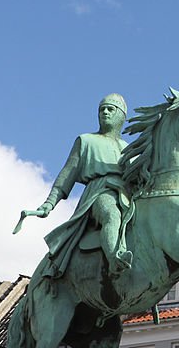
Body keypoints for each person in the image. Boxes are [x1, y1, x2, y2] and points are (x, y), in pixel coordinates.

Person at [37, 93, 133, 278]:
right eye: (101, 109)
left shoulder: (127, 148)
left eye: (110, 109)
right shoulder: (86, 140)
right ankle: (115, 259)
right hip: (99, 192)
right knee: (111, 214)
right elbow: (66, 175)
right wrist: (49, 204)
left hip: (126, 194)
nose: (104, 112)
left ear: (121, 115)